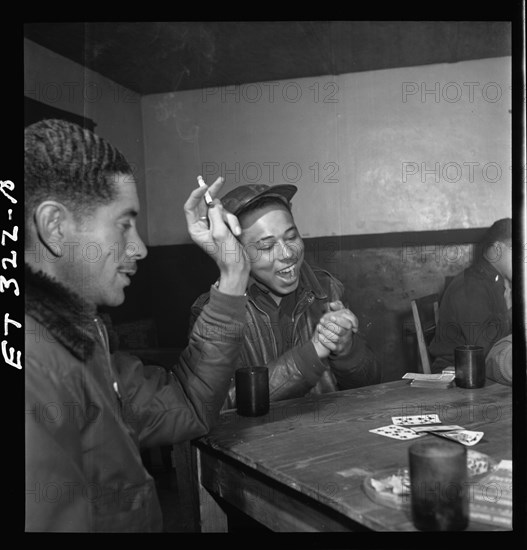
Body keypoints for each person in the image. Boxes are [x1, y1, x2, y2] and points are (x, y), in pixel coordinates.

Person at [24, 119, 250, 532]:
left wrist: (233, 272)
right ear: (56, 227)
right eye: (124, 223)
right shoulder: (33, 367)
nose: (140, 248)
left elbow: (186, 403)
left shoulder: (80, 336)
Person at [190, 184, 380, 409]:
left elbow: (370, 383)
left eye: (291, 237)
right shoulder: (216, 313)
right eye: (267, 246)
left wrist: (347, 350)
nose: (288, 254)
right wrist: (310, 355)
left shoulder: (326, 289)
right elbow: (217, 408)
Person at [429, 218, 512, 373]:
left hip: (480, 365)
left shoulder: (493, 280)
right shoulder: (472, 285)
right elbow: (486, 348)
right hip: (457, 372)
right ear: (497, 250)